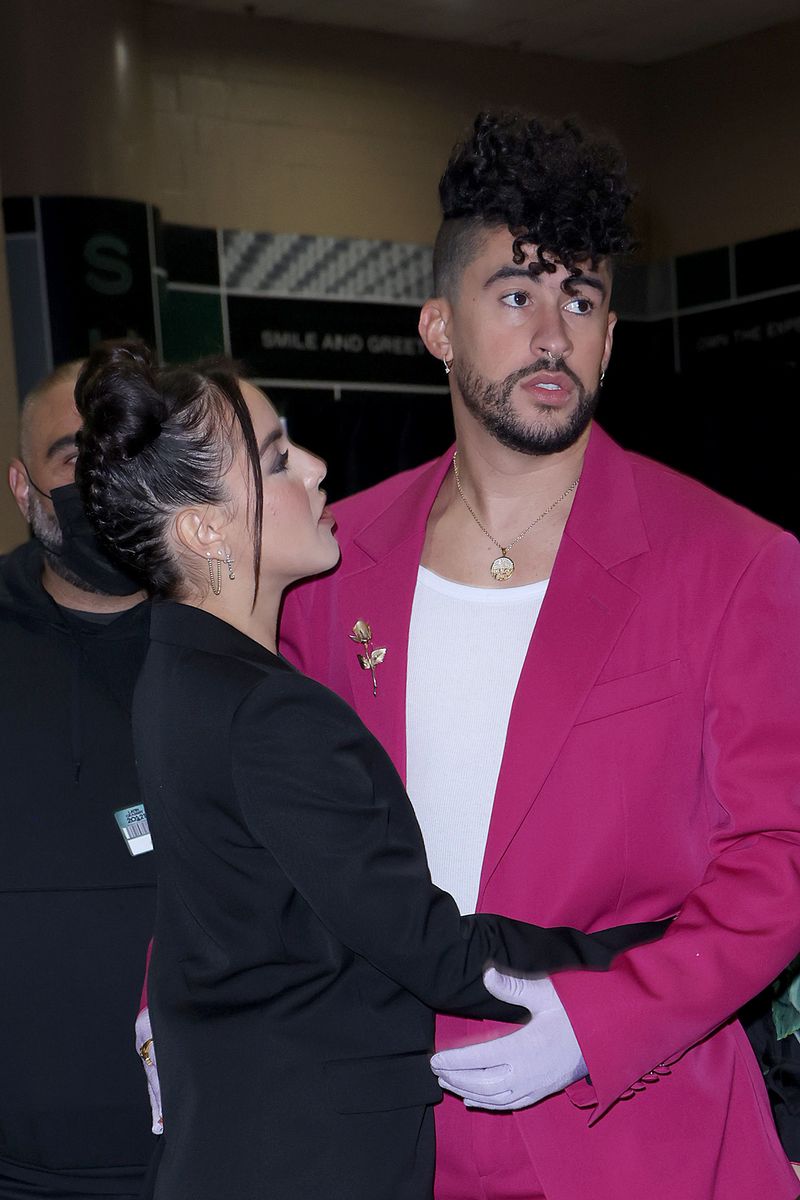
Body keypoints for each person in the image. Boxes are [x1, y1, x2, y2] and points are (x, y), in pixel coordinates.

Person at [279, 111, 800, 1199]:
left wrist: (597, 1022)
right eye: (514, 295)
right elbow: (257, 818)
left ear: (610, 337)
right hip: (385, 1121)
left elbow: (777, 858)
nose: (551, 332)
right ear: (438, 328)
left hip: (636, 1123)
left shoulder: (730, 560)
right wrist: (173, 993)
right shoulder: (330, 567)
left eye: (580, 299)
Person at [74, 341, 667, 1200]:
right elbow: (435, 953)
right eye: (277, 459)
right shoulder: (269, 712)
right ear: (205, 527)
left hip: (234, 1133)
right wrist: (646, 950)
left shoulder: (172, 671)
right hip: (311, 1156)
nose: (316, 468)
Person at [1, 362, 156, 1199]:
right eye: (71, 456)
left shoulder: (242, 635)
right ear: (23, 488)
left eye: (121, 452)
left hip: (207, 1152)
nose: (100, 482)